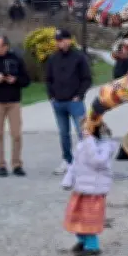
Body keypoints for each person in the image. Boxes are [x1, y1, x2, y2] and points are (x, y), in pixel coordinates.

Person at [61, 122, 116, 256]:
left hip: (94, 191)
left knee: (89, 218)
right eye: (83, 128)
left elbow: (97, 161)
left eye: (87, 129)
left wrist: (89, 141)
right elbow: (74, 164)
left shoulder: (105, 146)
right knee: (75, 215)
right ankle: (82, 240)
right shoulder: (83, 144)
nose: (84, 131)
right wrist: (68, 179)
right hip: (81, 189)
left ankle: (92, 246)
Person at [0, 35, 31, 177]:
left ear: (6, 46)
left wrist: (15, 80)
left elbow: (26, 80)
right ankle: (1, 165)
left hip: (13, 101)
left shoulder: (16, 59)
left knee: (16, 134)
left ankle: (17, 164)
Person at [46, 29, 93, 175]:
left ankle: (86, 162)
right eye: (58, 40)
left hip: (75, 101)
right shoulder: (53, 58)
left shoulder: (79, 57)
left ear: (69, 40)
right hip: (58, 102)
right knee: (63, 133)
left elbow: (87, 78)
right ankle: (67, 160)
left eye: (63, 40)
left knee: (82, 132)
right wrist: (51, 96)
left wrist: (79, 95)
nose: (61, 43)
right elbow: (48, 78)